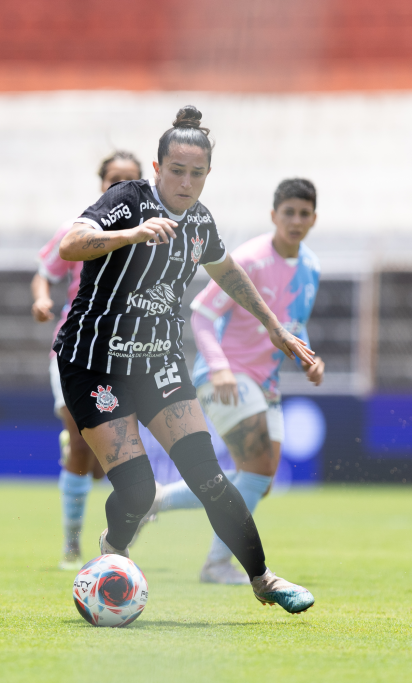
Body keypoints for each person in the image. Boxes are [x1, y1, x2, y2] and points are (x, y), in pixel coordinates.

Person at [55, 105, 316, 613]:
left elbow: (228, 273)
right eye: (176, 170)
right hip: (94, 365)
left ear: (208, 175)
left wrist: (274, 326)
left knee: (210, 478)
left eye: (197, 173)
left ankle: (263, 579)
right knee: (137, 488)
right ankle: (112, 552)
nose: (186, 182)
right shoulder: (127, 200)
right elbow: (70, 244)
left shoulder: (199, 222)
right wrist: (128, 235)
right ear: (156, 169)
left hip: (159, 366)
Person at [143, 178, 323, 584]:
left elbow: (294, 325)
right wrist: (219, 365)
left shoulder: (311, 266)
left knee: (258, 479)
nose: (296, 221)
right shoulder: (251, 259)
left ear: (314, 218)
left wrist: (309, 358)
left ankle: (159, 502)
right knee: (257, 470)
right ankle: (219, 564)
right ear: (273, 215)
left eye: (304, 213)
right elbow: (202, 312)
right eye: (288, 212)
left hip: (266, 385)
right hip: (225, 376)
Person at [32, 151, 143, 571]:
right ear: (101, 184)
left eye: (129, 181)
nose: (120, 188)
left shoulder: (151, 236)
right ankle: (72, 547)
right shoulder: (78, 230)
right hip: (76, 350)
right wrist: (42, 297)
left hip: (125, 356)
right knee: (81, 444)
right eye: (113, 180)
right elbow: (45, 269)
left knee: (103, 463)